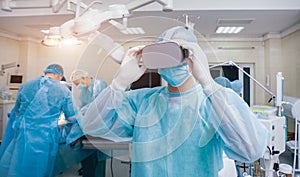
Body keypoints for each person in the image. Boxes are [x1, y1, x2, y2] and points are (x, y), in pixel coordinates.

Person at [76, 26, 269, 176]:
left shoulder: (213, 101)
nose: (172, 61)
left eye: (179, 53)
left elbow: (250, 151)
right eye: (164, 54)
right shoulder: (143, 101)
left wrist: (209, 84)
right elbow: (92, 126)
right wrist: (118, 84)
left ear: (194, 57)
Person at [0, 64, 76, 177]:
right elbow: (71, 117)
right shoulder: (64, 90)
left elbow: (15, 112)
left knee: (18, 164)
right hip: (44, 138)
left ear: (46, 72)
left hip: (23, 134)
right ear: (59, 76)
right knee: (39, 168)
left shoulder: (26, 85)